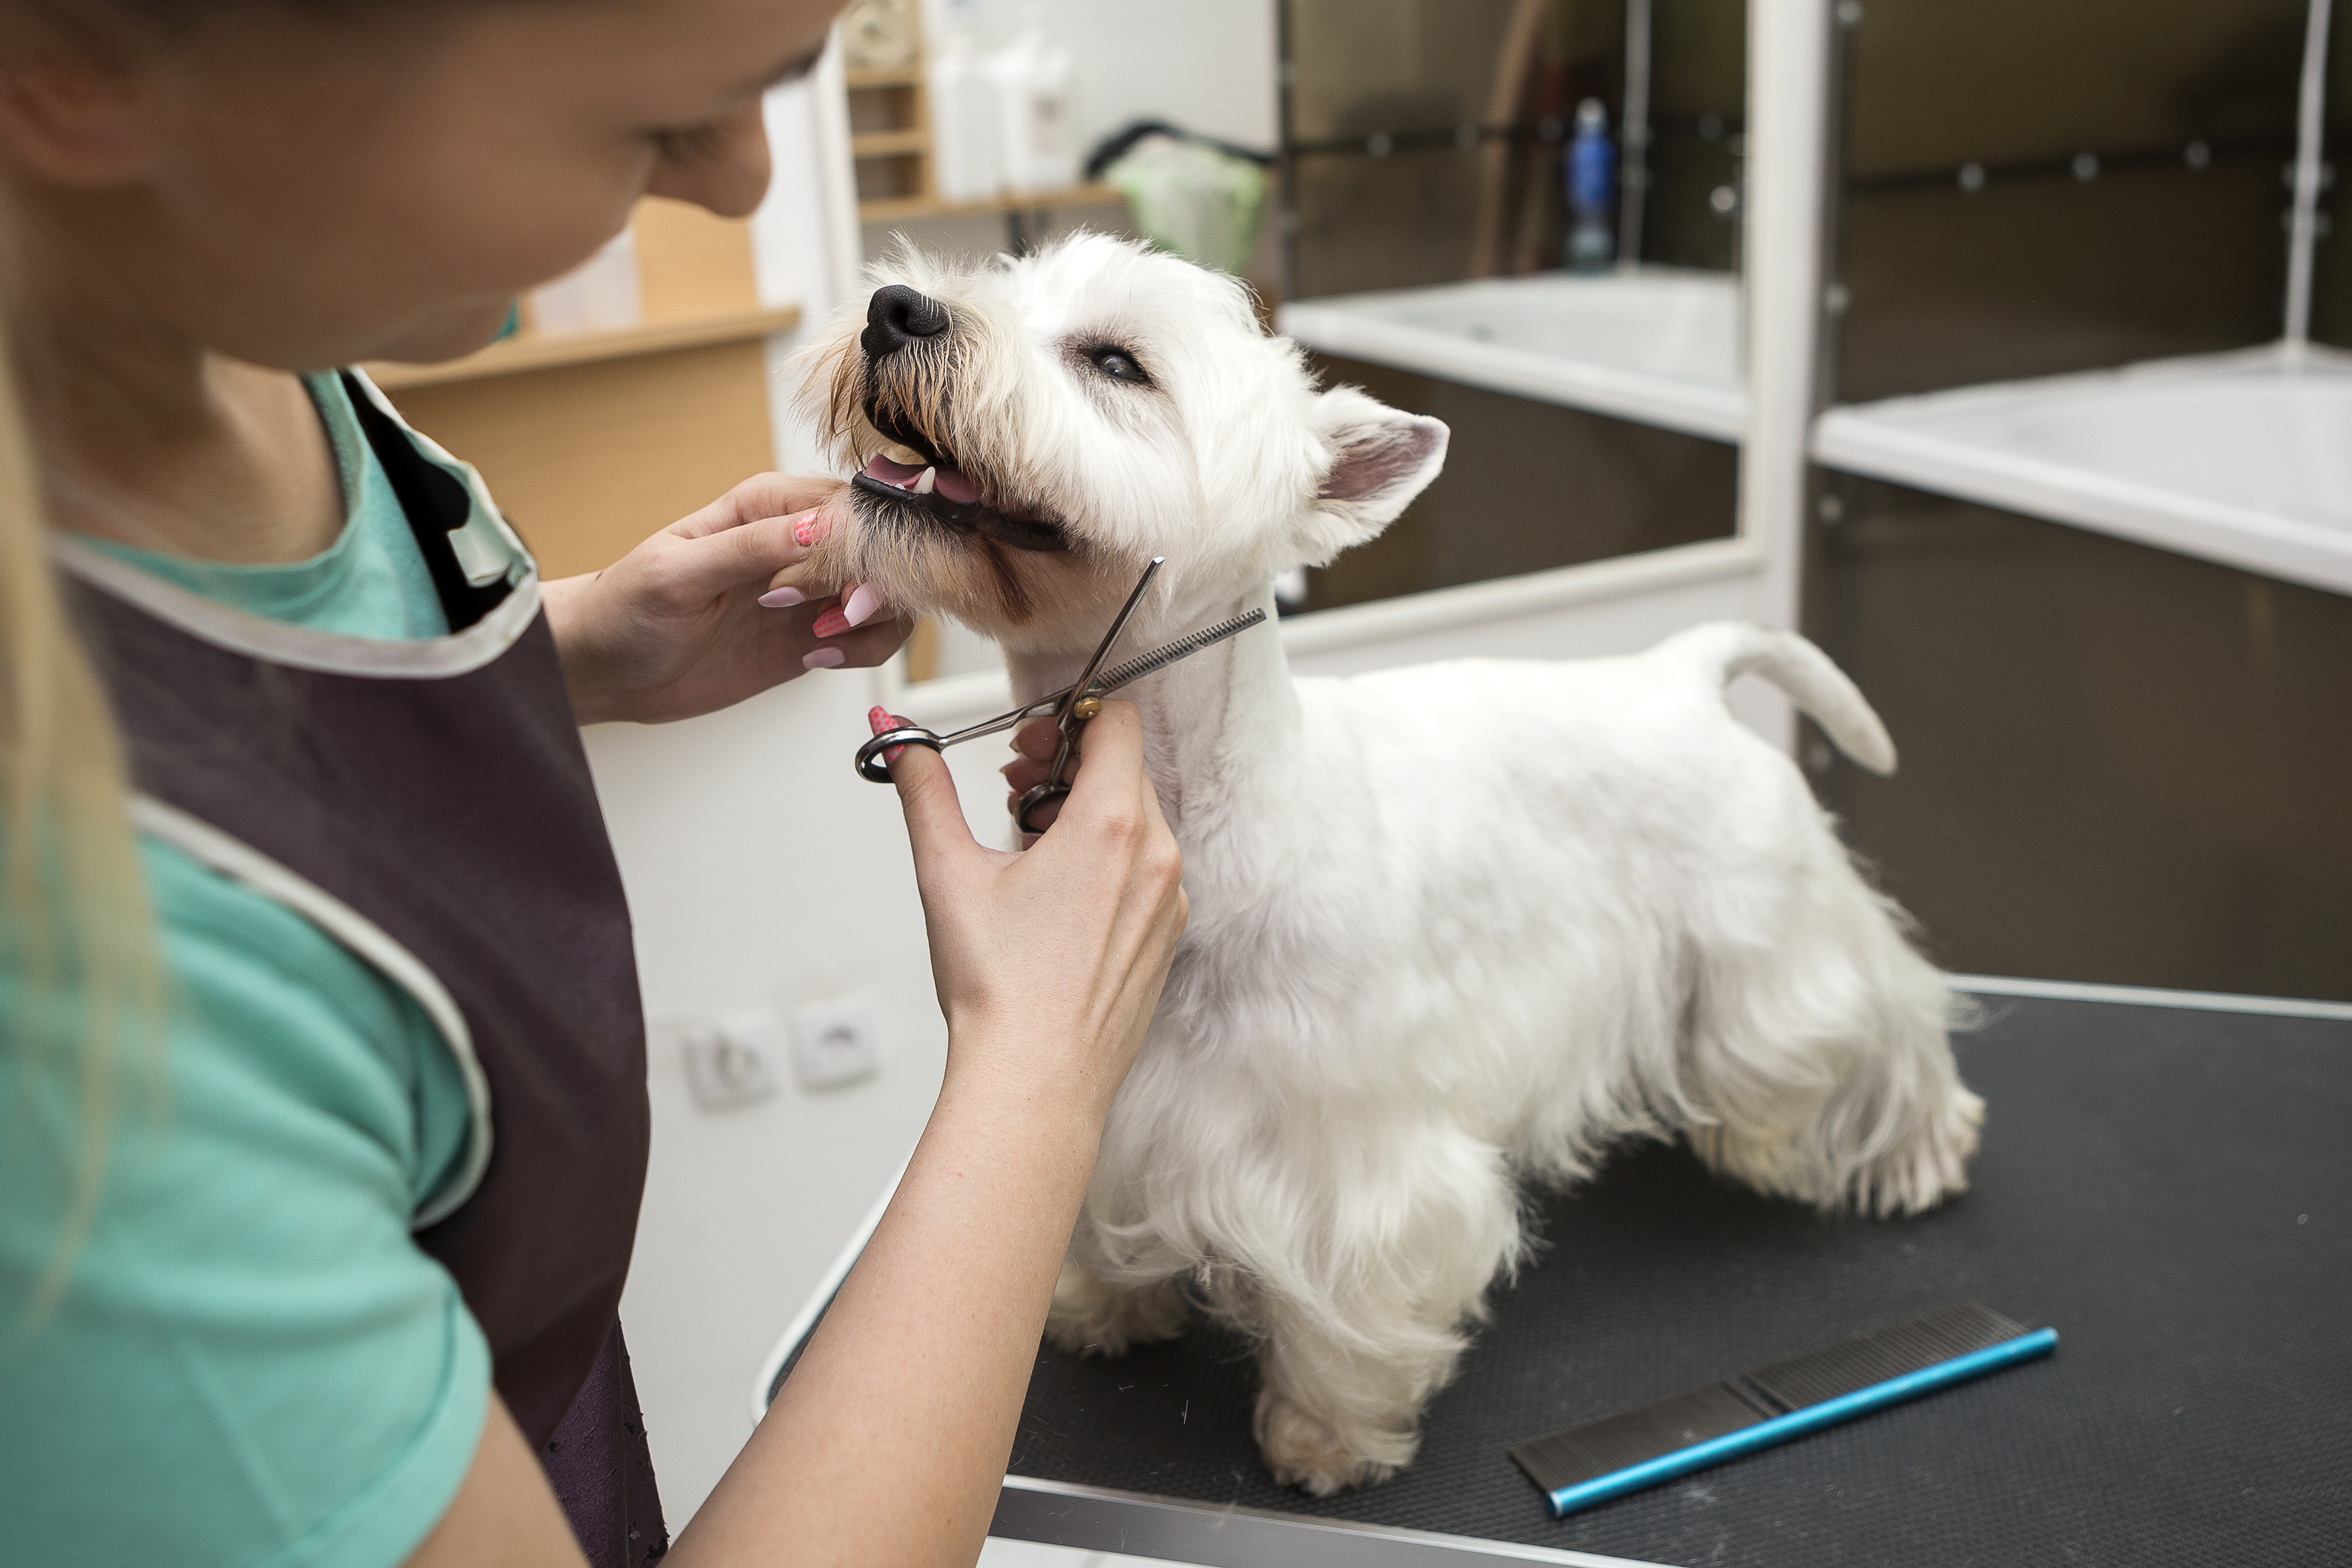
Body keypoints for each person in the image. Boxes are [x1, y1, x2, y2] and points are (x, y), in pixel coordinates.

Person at [0, 2, 1189, 1565]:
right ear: (74, 77)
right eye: (653, 120)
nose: (744, 186)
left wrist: (546, 656)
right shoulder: (83, 1049)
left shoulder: (251, 343)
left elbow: (227, 681)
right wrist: (1039, 1072)